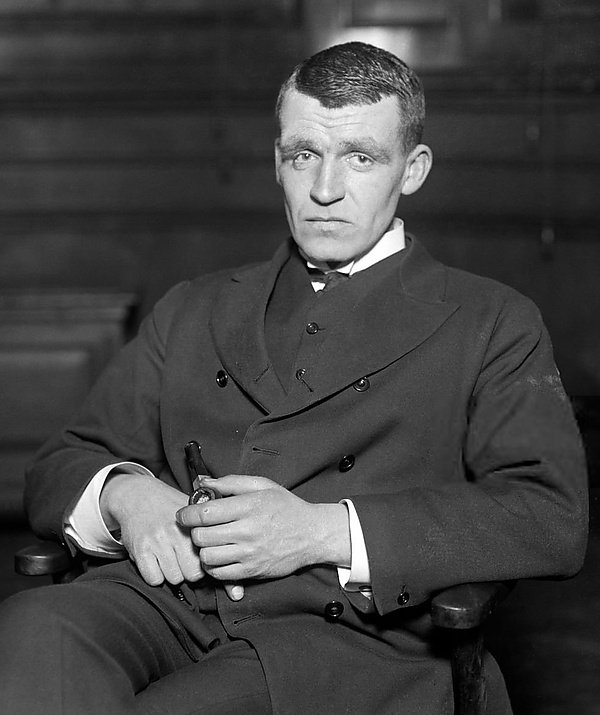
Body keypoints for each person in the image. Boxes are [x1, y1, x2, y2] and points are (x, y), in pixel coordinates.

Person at [0, 41, 588, 715]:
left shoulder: (492, 320)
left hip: (343, 642)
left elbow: (550, 515)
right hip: (167, 602)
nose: (325, 189)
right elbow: (59, 465)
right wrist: (124, 497)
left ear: (413, 170)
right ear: (277, 162)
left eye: (360, 158)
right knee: (32, 629)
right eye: (304, 154)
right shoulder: (194, 307)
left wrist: (319, 530)